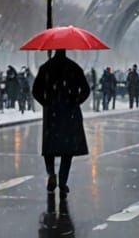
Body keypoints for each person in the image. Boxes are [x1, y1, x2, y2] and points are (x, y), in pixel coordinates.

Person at [33, 49, 90, 194]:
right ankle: (63, 182)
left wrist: (46, 102)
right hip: (69, 113)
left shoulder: (45, 68)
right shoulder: (74, 68)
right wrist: (75, 100)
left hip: (52, 113)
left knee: (50, 149)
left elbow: (36, 91)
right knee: (67, 151)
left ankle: (51, 173)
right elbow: (86, 90)